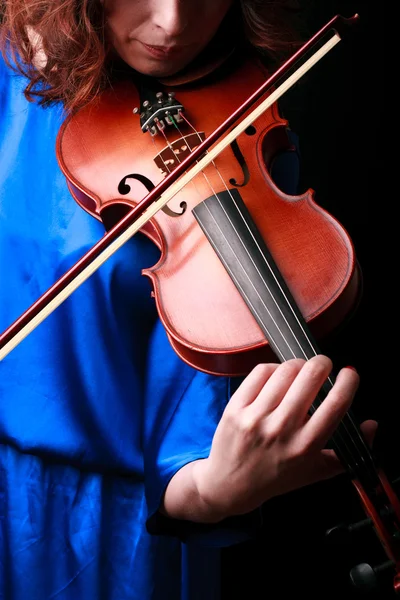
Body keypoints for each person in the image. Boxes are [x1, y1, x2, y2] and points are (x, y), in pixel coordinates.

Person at [0, 1, 376, 599]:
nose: (172, 24)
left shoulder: (244, 120)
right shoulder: (10, 65)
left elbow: (189, 426)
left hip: (115, 536)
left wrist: (217, 490)